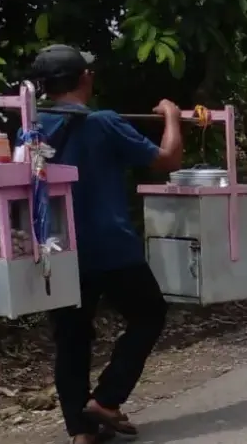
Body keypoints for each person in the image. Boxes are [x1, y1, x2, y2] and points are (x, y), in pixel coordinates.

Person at [27, 45, 185, 444]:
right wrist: (171, 116)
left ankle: (81, 431)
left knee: (72, 338)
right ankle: (107, 401)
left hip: (57, 250)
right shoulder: (104, 123)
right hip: (111, 247)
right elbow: (167, 159)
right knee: (149, 314)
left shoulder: (29, 128)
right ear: (86, 79)